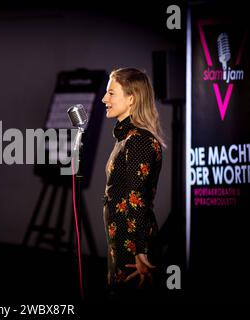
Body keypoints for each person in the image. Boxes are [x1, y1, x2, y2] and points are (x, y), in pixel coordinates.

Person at [101, 67, 166, 298]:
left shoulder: (139, 141)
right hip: (121, 241)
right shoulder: (127, 138)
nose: (103, 99)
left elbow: (137, 199)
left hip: (134, 245)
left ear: (131, 98)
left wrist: (141, 252)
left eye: (111, 93)